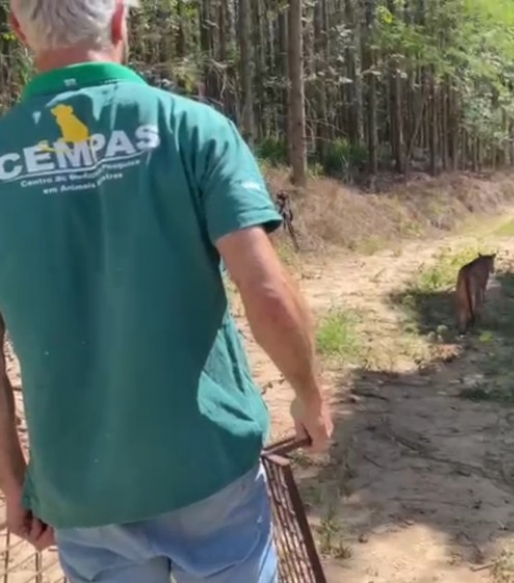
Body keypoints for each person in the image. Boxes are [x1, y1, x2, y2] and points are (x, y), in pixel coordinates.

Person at [0, 0, 334, 581]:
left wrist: (15, 481)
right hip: (209, 474)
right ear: (122, 19)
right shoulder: (192, 129)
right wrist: (310, 395)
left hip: (82, 489)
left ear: (19, 28)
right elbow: (268, 294)